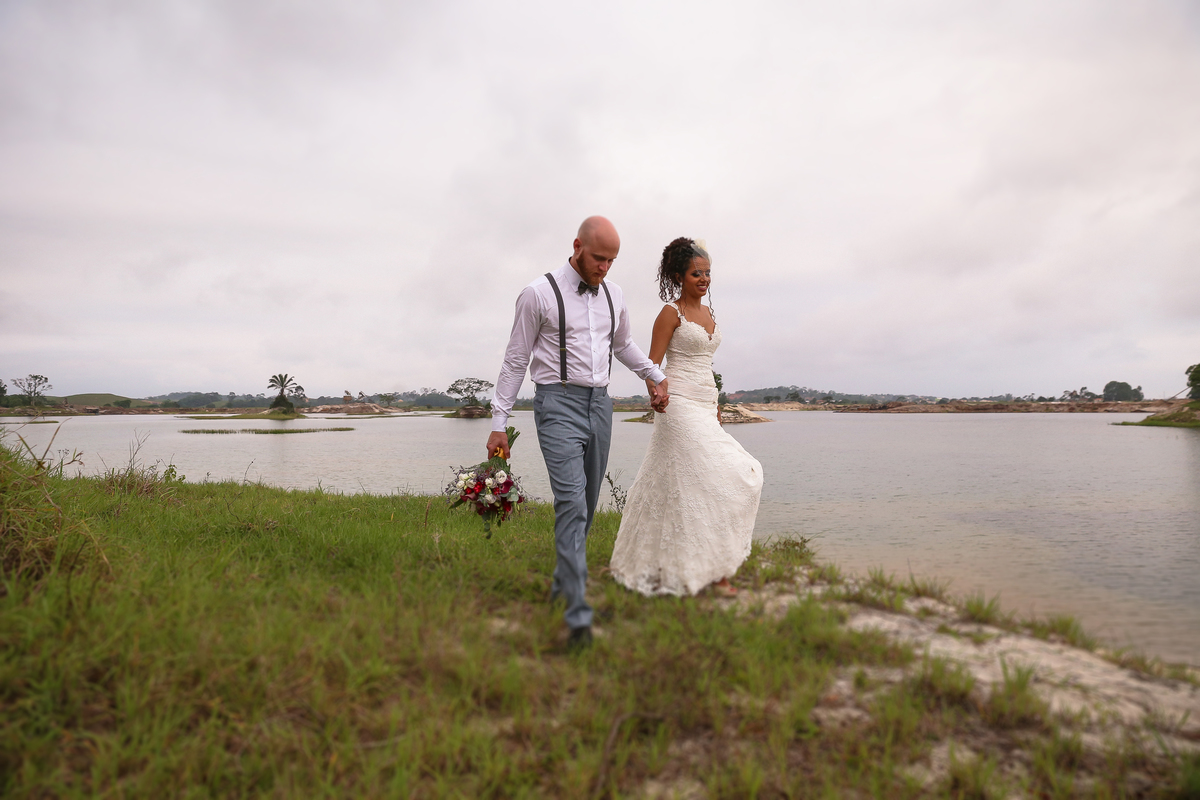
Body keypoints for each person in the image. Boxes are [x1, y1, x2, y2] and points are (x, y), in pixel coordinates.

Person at [487, 216, 669, 651]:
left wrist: (654, 374)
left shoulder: (615, 295)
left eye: (611, 261)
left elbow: (622, 345)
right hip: (556, 404)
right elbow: (516, 359)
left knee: (586, 504)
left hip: (600, 405)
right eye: (598, 258)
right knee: (571, 502)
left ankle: (563, 586)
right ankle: (578, 615)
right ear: (577, 246)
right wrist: (499, 423)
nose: (604, 268)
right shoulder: (537, 294)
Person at [609, 237, 763, 597]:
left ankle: (707, 567)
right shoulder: (670, 313)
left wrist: (717, 402)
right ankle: (708, 572)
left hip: (707, 405)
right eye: (697, 273)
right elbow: (651, 366)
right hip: (676, 405)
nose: (704, 279)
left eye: (708, 273)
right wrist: (656, 394)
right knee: (725, 475)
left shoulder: (710, 314)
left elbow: (706, 364)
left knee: (689, 485)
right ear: (679, 275)